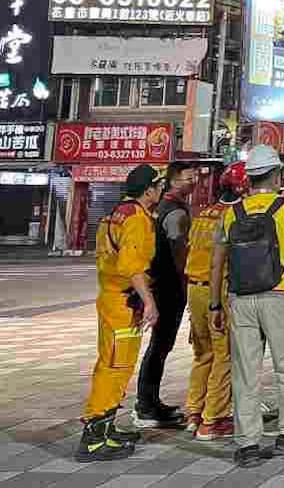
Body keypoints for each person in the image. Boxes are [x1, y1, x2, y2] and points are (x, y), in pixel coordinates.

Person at [209, 145, 284, 467]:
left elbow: (217, 263)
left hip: (240, 299)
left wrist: (215, 304)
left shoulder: (230, 212)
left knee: (246, 372)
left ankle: (247, 445)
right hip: (280, 297)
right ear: (276, 175)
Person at [76, 165, 164, 462]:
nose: (160, 190)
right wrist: (149, 301)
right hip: (123, 304)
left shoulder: (114, 213)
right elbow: (132, 266)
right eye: (158, 185)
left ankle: (106, 426)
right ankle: (94, 438)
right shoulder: (137, 219)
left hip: (111, 299)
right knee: (115, 368)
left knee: (111, 365)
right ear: (148, 190)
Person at [183, 163, 248, 441]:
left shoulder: (203, 213)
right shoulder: (234, 216)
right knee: (225, 356)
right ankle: (214, 419)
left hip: (194, 289)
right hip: (216, 291)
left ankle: (194, 412)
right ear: (243, 187)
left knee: (203, 354)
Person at [134, 161, 196, 429]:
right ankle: (146, 406)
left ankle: (150, 402)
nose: (192, 182)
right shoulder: (174, 212)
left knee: (160, 346)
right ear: (172, 181)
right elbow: (179, 253)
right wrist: (187, 283)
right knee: (160, 345)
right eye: (187, 178)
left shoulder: (163, 207)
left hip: (162, 284)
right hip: (168, 286)